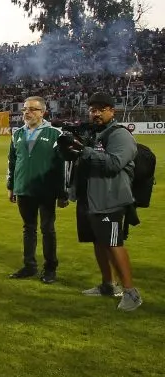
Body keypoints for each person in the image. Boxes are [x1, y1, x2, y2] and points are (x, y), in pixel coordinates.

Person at [63, 92, 143, 311]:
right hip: (89, 198)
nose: (95, 113)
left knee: (114, 244)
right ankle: (108, 285)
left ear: (111, 111)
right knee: (98, 242)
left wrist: (83, 150)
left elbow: (114, 164)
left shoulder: (120, 135)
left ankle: (131, 293)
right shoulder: (93, 134)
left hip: (111, 199)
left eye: (100, 109)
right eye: (92, 109)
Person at [7, 96, 68, 283]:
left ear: (43, 112)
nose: (27, 113)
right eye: (25, 109)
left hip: (46, 190)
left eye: (32, 109)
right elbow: (12, 162)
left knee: (47, 229)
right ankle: (29, 266)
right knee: (28, 229)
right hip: (23, 188)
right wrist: (11, 186)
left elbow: (63, 165)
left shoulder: (55, 133)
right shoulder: (17, 134)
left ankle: (50, 268)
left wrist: (63, 192)